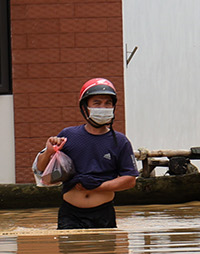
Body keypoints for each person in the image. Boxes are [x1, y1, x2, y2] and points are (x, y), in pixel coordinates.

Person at [35, 77, 139, 229]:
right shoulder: (68, 135)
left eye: (107, 103)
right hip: (70, 214)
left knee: (103, 253)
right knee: (71, 252)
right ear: (85, 107)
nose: (103, 107)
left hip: (103, 213)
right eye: (97, 103)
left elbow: (130, 180)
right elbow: (41, 169)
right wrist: (49, 151)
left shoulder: (120, 141)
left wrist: (97, 186)